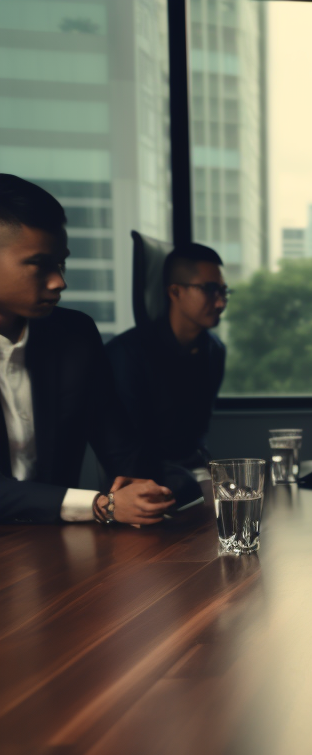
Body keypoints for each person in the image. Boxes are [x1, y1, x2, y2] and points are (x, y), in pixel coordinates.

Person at [0, 174, 199, 524]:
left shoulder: (74, 333)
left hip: (55, 548)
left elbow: (122, 451)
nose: (59, 281)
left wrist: (149, 488)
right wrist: (101, 504)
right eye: (40, 263)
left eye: (61, 262)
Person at [106, 243, 228, 474]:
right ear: (175, 292)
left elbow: (198, 433)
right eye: (210, 289)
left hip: (194, 472)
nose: (220, 302)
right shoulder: (126, 354)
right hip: (140, 481)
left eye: (224, 291)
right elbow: (125, 450)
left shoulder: (214, 350)